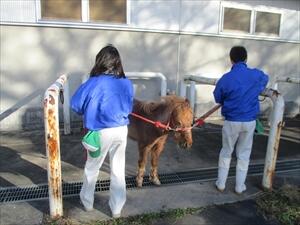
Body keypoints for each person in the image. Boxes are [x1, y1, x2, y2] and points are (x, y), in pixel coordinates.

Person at [71, 45, 134, 218]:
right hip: (121, 130)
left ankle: (87, 203)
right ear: (117, 62)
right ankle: (116, 209)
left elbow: (75, 105)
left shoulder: (92, 83)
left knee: (92, 168)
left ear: (99, 61)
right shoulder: (126, 83)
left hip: (99, 132)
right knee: (118, 169)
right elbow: (128, 107)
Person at [213, 46, 269, 194]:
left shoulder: (226, 79)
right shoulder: (256, 75)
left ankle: (221, 184)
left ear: (231, 60)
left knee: (226, 151)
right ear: (246, 59)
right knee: (244, 153)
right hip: (249, 121)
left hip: (231, 121)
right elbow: (265, 78)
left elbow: (218, 97)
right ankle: (239, 186)